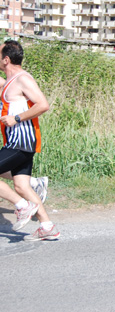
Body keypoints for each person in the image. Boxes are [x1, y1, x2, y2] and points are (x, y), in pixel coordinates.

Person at [0, 40, 59, 240]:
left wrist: (15, 118)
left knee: (21, 193)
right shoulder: (9, 81)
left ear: (6, 59)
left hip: (21, 142)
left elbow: (43, 105)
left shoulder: (22, 78)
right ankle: (46, 225)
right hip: (17, 143)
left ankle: (22, 206)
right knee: (22, 186)